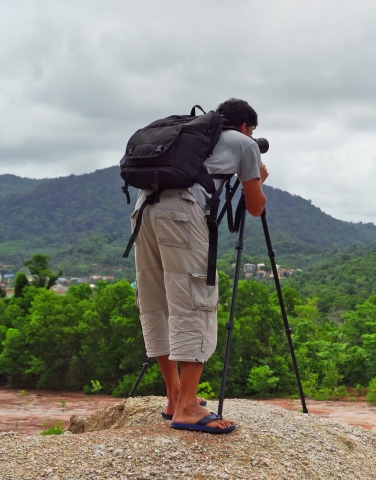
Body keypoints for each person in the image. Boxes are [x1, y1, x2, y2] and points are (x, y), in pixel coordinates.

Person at [131, 98, 268, 433]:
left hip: (143, 210)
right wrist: (258, 179)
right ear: (247, 127)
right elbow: (254, 207)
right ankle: (188, 408)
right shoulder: (245, 143)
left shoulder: (189, 136)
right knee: (195, 302)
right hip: (181, 213)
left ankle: (174, 395)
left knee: (157, 302)